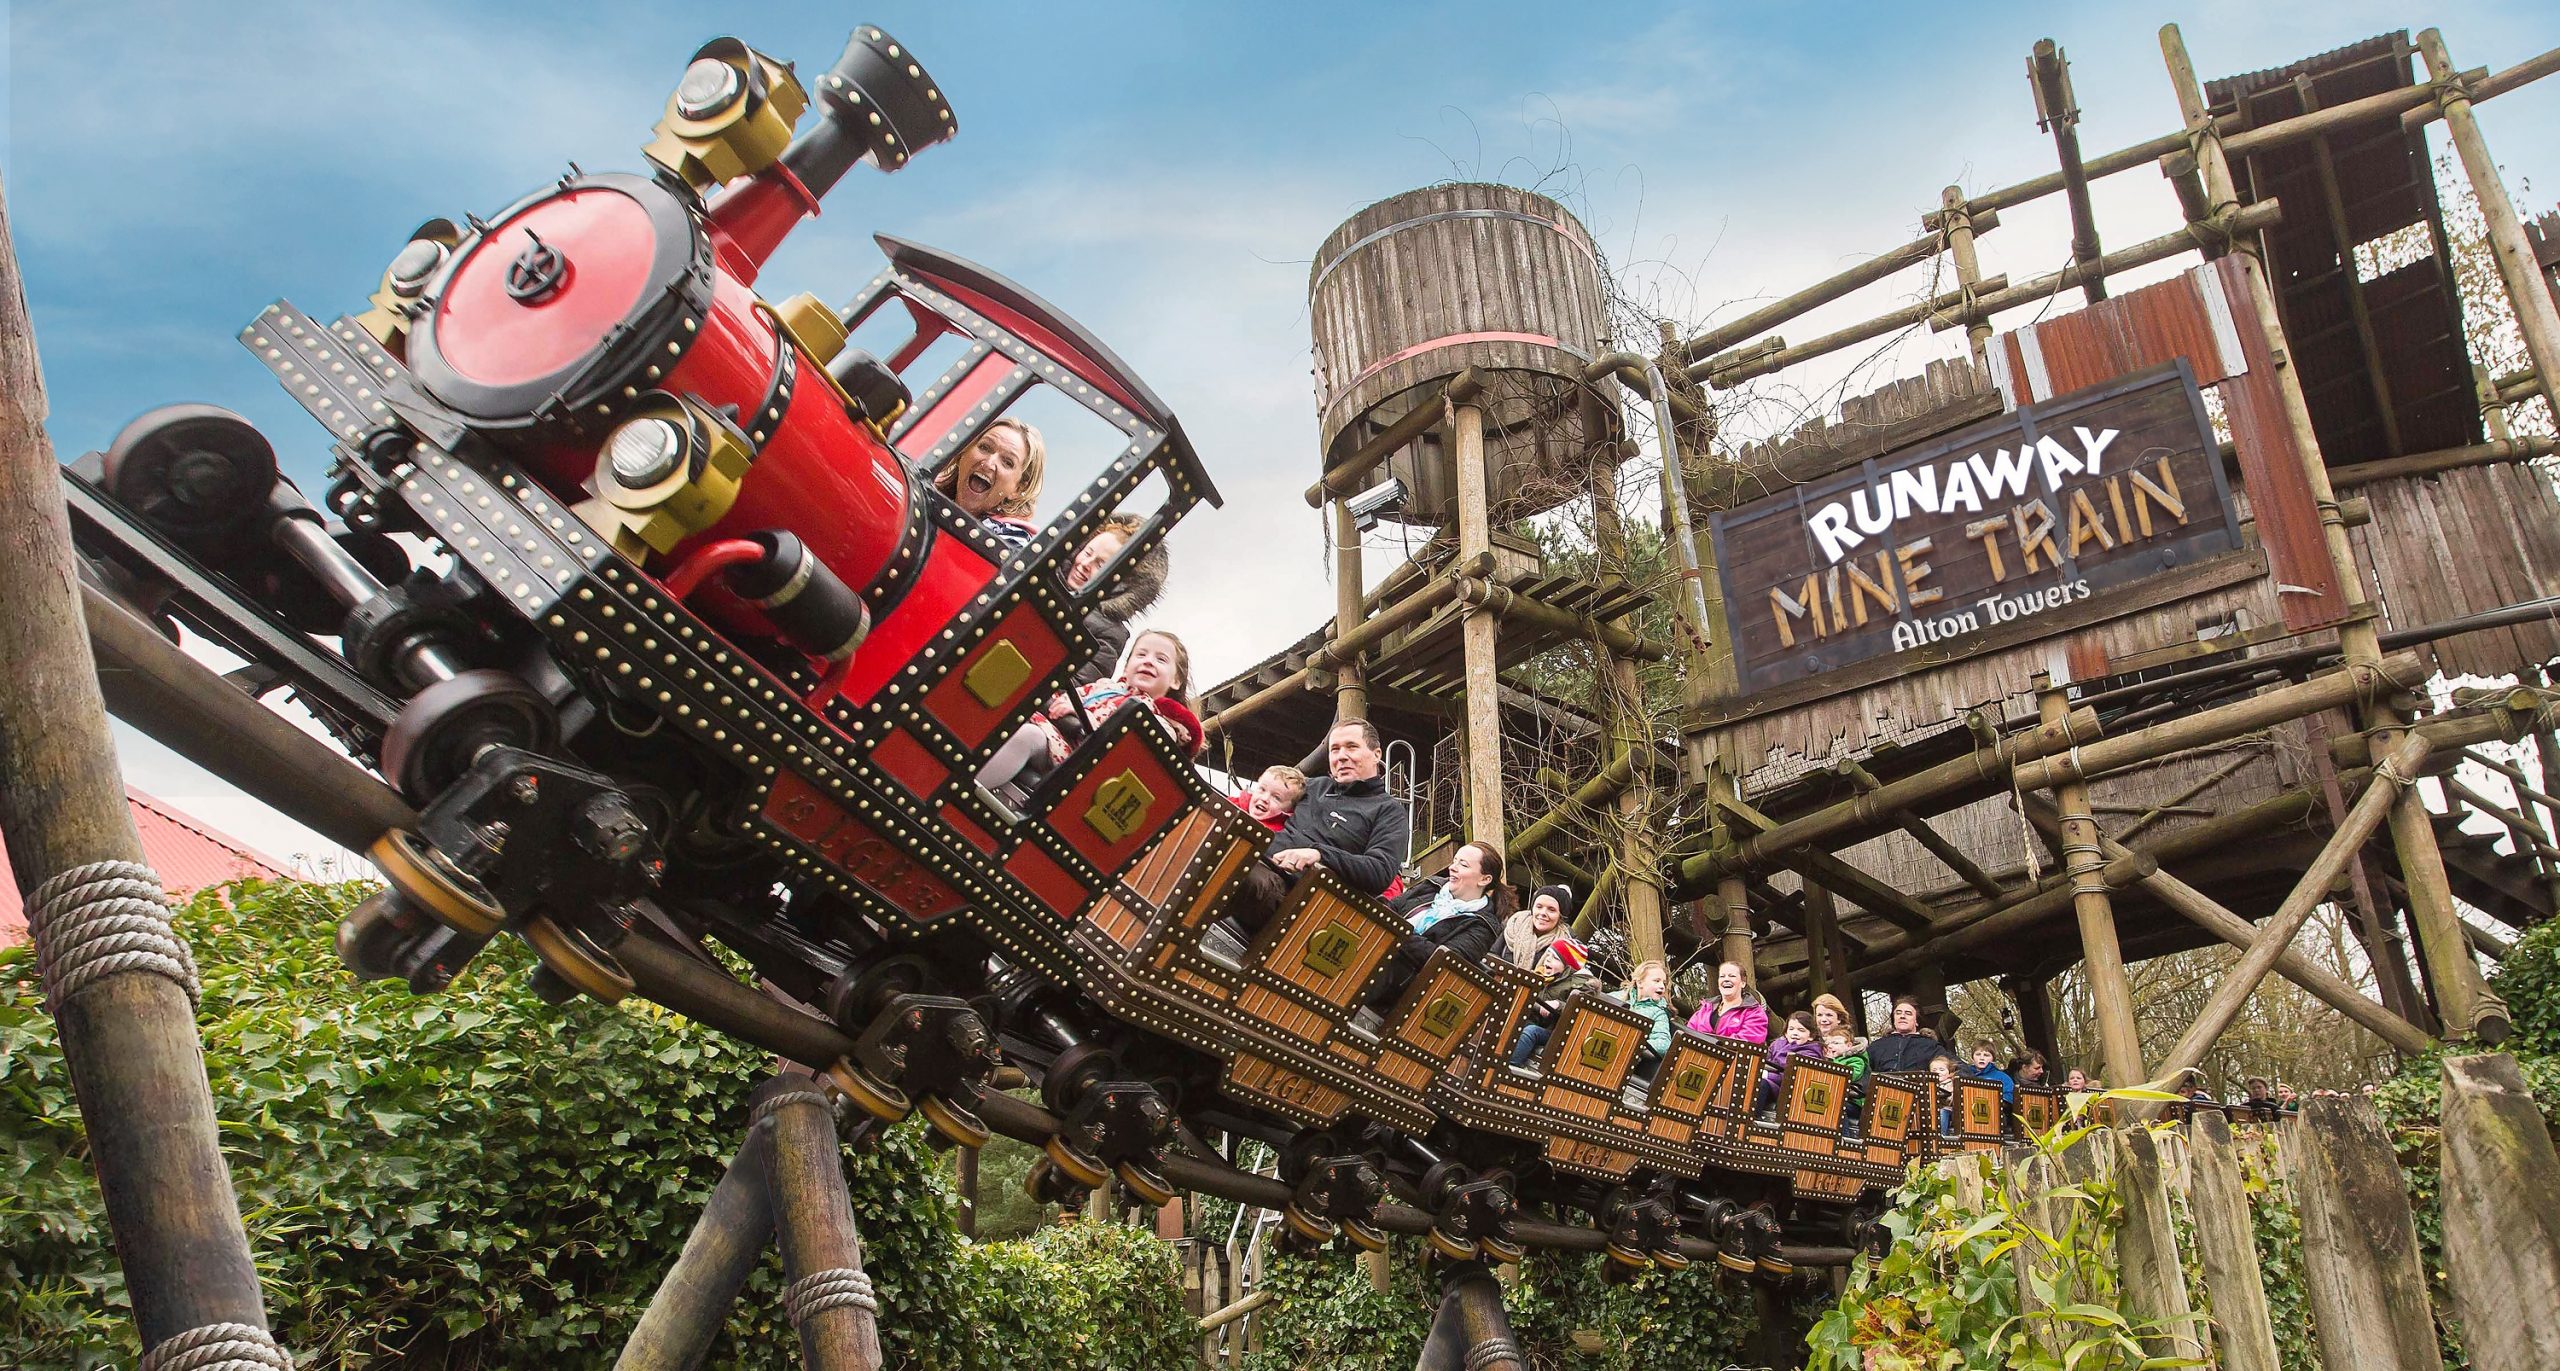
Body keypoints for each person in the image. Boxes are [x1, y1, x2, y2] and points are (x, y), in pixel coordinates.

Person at [1228, 719, 1411, 934]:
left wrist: (1319, 854)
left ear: (1376, 754)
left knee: (1233, 872)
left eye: (1351, 747)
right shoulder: (1313, 786)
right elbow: (1270, 795)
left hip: (1295, 895)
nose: (1341, 756)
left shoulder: (1388, 811)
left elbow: (1380, 871)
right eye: (1335, 749)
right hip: (1258, 859)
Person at [980, 629, 1202, 792]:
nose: (1149, 662)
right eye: (1141, 655)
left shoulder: (1160, 723)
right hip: (1059, 736)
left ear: (1176, 680)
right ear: (1126, 667)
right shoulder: (1105, 686)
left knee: (1029, 736)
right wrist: (1057, 702)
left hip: (1082, 766)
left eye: (1161, 659)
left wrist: (1085, 718)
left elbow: (1125, 750)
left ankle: (972, 787)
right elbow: (1068, 699)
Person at [1366, 840, 1508, 1008]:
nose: (1452, 867)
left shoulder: (1484, 927)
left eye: (1463, 865)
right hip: (1373, 950)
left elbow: (1442, 961)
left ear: (1484, 879)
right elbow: (1391, 907)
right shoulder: (1432, 885)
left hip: (1399, 986)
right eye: (1454, 861)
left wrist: (1395, 930)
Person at [1062, 514, 1168, 690]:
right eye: (1088, 552)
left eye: (1101, 565)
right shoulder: (1043, 575)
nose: (1086, 564)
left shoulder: (1111, 636)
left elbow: (1075, 688)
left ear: (1121, 583)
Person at [933, 417, 1046, 550]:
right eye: (985, 447)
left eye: (1007, 462)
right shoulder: (923, 494)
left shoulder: (1013, 543)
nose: (988, 464)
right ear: (963, 452)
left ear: (1018, 489)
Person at [1507, 937, 1597, 1067]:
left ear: (1568, 965)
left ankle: (1510, 1066)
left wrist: (1559, 1005)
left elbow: (1583, 1013)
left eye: (1555, 958)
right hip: (1537, 1021)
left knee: (1530, 1032)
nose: (1548, 959)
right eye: (1548, 954)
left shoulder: (1584, 985)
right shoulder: (1542, 976)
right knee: (1511, 1018)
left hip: (1557, 1032)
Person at [1687, 961, 1770, 1047]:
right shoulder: (1705, 1008)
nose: (1726, 979)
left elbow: (1747, 1043)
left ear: (1743, 983)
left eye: (1732, 976)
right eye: (1722, 976)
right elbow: (1688, 1033)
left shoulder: (1754, 1013)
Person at [1759, 1011, 1823, 1114]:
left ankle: (1751, 1117)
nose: (1795, 1033)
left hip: (1788, 1090)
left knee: (1762, 1084)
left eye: (1801, 1030)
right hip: (1771, 1081)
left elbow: (1793, 1075)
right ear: (1786, 1032)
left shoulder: (1810, 1053)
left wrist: (1767, 1075)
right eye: (1791, 1029)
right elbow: (1766, 1060)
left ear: (1811, 1036)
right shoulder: (1777, 1044)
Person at [1619, 959, 1676, 1074]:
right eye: (1657, 981)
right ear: (1640, 983)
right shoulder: (1619, 997)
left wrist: (1636, 1045)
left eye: (1664, 983)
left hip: (1630, 1062)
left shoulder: (1659, 1013)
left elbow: (1663, 1044)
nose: (1662, 986)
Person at [1866, 996, 1940, 1074]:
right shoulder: (1876, 1046)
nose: (1902, 1016)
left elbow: (1947, 1069)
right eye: (1898, 1013)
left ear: (1916, 1021)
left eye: (1908, 1013)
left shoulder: (1931, 1046)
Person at [1504, 885, 1572, 970]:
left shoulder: (1566, 947)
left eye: (1551, 910)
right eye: (1539, 907)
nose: (1543, 913)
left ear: (1561, 916)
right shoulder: (1513, 926)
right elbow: (1492, 956)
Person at [1231, 765, 1307, 833]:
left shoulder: (1280, 834)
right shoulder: (1231, 804)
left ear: (1288, 809)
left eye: (1276, 798)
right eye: (1262, 789)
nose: (1265, 798)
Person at [1928, 1053, 1963, 1135]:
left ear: (1949, 1072)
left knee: (1942, 1112)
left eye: (1942, 1070)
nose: (1938, 1072)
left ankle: (1942, 1135)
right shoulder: (1930, 1084)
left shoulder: (1951, 1084)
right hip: (1932, 1109)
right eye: (1934, 1070)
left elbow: (1951, 1098)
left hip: (1948, 1110)